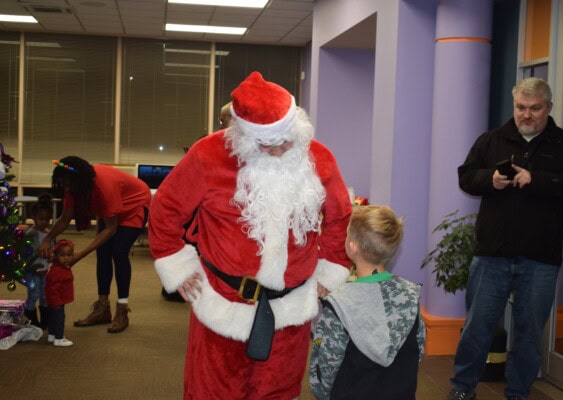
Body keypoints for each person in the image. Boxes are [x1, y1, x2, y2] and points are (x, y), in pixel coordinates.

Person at [148, 71, 353, 399]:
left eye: (286, 141)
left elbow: (340, 216)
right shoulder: (208, 155)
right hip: (221, 305)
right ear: (244, 135)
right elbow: (165, 208)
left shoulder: (319, 158)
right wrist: (177, 264)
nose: (278, 152)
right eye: (267, 145)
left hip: (291, 309)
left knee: (280, 392)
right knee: (211, 393)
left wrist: (332, 268)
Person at [448, 77, 563, 400]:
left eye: (534, 108)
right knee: (477, 328)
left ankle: (518, 393)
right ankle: (462, 389)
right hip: (491, 254)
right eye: (520, 108)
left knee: (529, 334)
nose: (526, 115)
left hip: (540, 257)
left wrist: (537, 179)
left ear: (549, 108)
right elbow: (466, 176)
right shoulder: (492, 140)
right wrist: (491, 179)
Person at [310, 205, 425, 400]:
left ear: (352, 246)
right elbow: (418, 349)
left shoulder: (338, 306)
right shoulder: (410, 295)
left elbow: (325, 367)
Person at [38, 157, 151, 334]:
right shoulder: (73, 186)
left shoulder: (103, 187)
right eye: (63, 184)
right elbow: (66, 218)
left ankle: (122, 311)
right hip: (111, 209)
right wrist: (47, 238)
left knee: (119, 252)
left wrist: (81, 254)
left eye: (68, 184)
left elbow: (111, 228)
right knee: (103, 252)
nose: (66, 189)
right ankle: (102, 309)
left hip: (134, 205)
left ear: (79, 180)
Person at [23, 192, 53, 329]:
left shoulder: (49, 234)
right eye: (41, 219)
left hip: (45, 270)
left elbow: (51, 250)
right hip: (33, 271)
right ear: (34, 218)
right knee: (33, 293)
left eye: (47, 219)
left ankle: (45, 321)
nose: (44, 222)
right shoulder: (31, 234)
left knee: (45, 295)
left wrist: (52, 256)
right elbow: (28, 253)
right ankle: (31, 318)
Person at [45, 239, 76, 347]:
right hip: (57, 301)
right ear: (56, 256)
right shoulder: (57, 271)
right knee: (59, 319)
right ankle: (59, 338)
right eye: (62, 255)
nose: (66, 258)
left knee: (53, 318)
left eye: (69, 255)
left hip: (57, 300)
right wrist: (56, 302)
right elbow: (53, 289)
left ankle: (52, 335)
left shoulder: (62, 268)